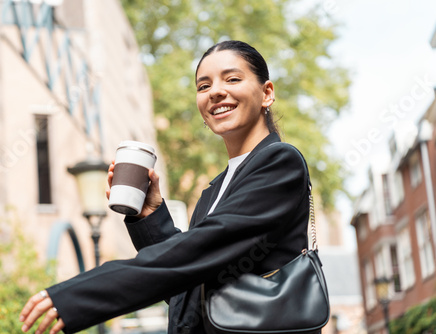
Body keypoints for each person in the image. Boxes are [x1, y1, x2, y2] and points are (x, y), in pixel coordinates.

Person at [19, 40, 312, 334]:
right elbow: (185, 283)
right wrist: (150, 216)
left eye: (232, 79)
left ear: (267, 93)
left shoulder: (280, 163)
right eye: (203, 86)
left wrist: (78, 296)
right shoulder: (215, 189)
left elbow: (195, 254)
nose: (216, 92)